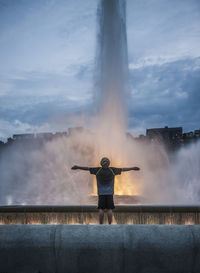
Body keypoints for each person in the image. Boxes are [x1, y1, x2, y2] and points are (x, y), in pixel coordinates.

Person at [71, 157, 140, 224]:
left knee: (101, 209)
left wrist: (77, 167)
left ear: (101, 163)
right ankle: (109, 224)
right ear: (109, 163)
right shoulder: (112, 170)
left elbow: (87, 168)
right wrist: (133, 168)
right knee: (109, 209)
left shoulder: (97, 170)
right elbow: (123, 169)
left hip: (101, 193)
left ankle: (101, 224)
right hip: (110, 193)